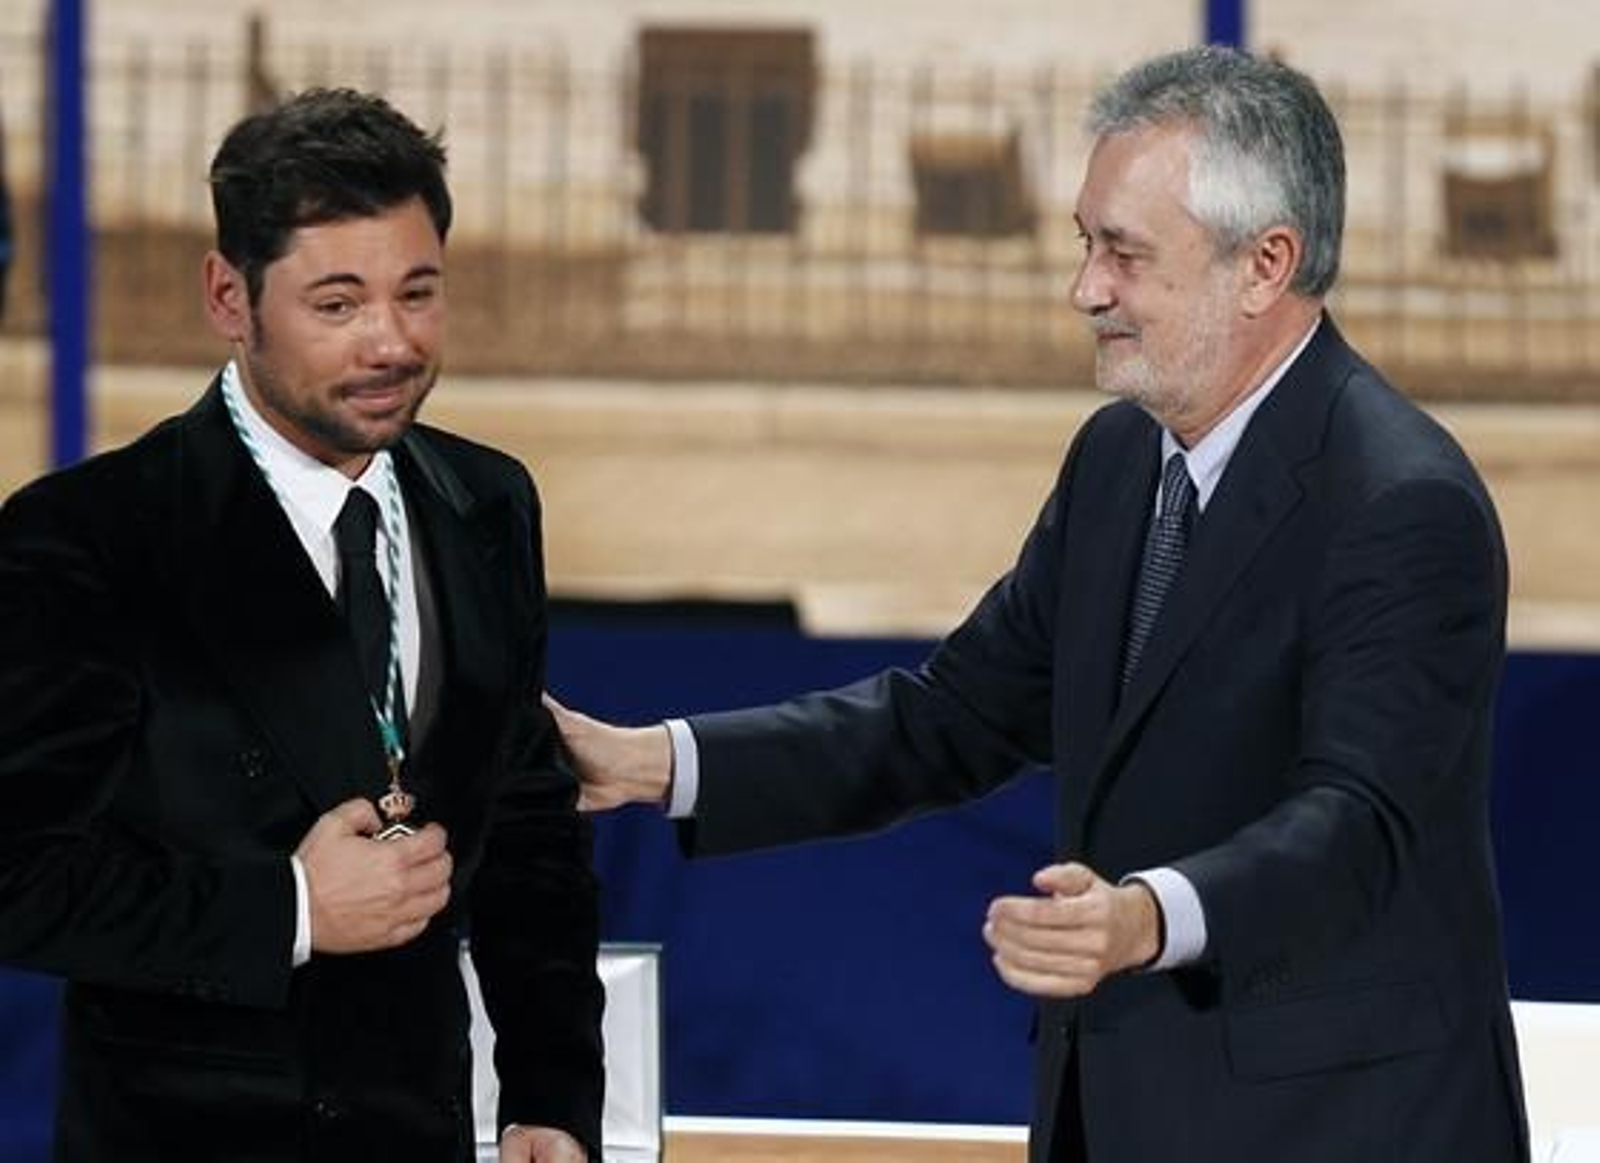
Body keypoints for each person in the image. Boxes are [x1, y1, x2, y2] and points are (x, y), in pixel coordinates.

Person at [549, 45, 1530, 1163]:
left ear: (1265, 263)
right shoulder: (1118, 459)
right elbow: (951, 717)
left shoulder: (1398, 498)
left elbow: (1360, 822)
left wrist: (1145, 915)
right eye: (1085, 242)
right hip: (1120, 1111)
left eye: (1122, 251)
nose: (1085, 289)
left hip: (1337, 1127)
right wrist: (651, 762)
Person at [0, 89, 602, 1162]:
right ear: (229, 296)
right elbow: (15, 875)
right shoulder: (89, 535)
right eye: (338, 304)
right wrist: (289, 906)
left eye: (418, 293)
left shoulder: (488, 500)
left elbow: (528, 835)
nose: (391, 342)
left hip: (418, 1125)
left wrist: (549, 1100)